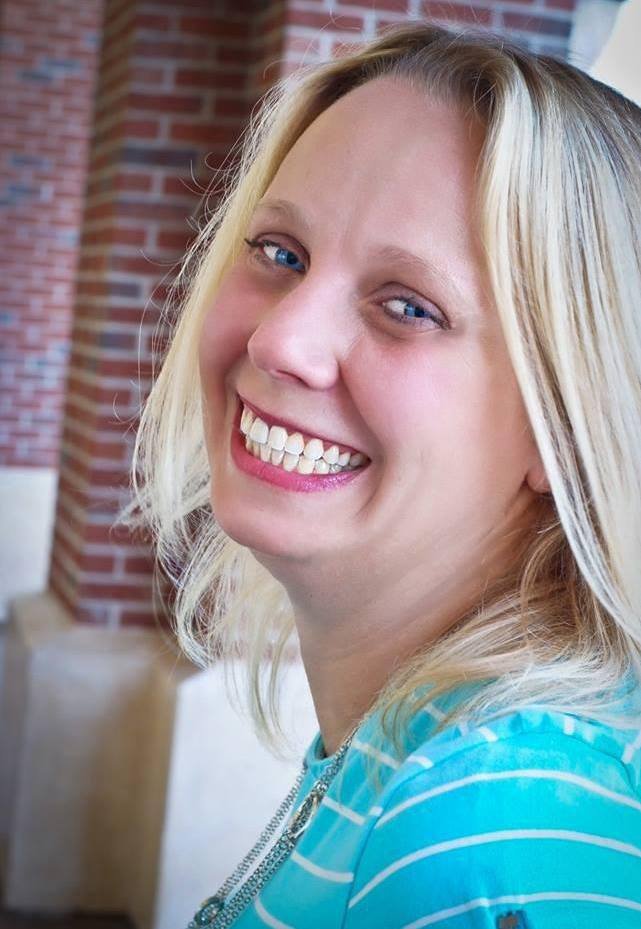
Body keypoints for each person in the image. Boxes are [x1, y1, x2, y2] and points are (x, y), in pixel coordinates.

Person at [127, 21, 641, 929]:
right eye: (279, 252)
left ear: (565, 427)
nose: (279, 341)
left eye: (408, 306)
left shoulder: (479, 829)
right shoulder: (428, 758)